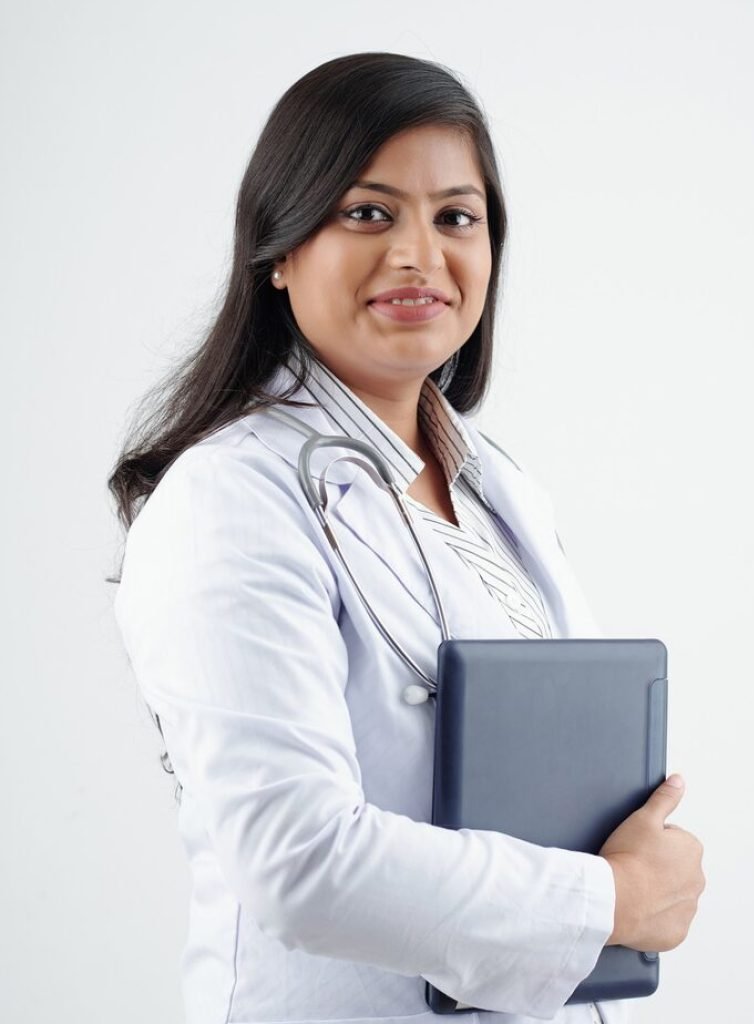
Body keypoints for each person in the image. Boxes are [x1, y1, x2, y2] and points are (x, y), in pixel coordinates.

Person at [108, 51, 705, 1024]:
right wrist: (613, 899)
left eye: (455, 217)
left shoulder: (500, 489)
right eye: (368, 212)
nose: (418, 254)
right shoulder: (231, 497)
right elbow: (300, 861)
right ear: (280, 248)